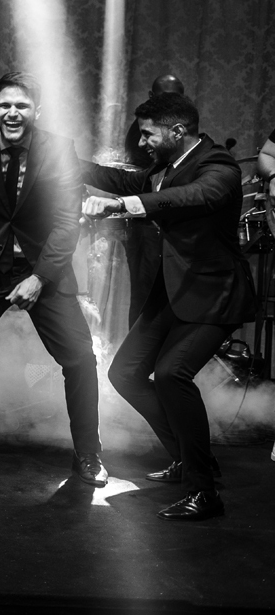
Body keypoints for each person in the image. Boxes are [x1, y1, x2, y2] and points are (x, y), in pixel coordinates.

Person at [83, 93, 255, 521]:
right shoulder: (164, 169)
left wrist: (120, 207)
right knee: (125, 373)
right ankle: (189, 456)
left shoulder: (219, 166)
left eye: (148, 134)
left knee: (172, 374)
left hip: (215, 295)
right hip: (172, 294)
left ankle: (204, 491)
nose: (141, 142)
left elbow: (195, 196)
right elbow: (123, 180)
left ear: (178, 131)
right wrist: (67, 163)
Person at [0, 73, 106, 486]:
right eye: (5, 105)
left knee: (80, 360)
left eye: (22, 106)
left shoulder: (59, 149)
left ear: (37, 111)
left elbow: (66, 222)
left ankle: (88, 454)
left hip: (42, 268)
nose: (12, 113)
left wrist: (40, 278)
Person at [120, 74, 184, 324]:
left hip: (166, 223)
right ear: (151, 97)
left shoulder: (177, 127)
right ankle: (137, 347)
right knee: (144, 293)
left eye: (176, 98)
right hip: (146, 222)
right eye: (164, 97)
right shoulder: (144, 129)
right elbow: (141, 178)